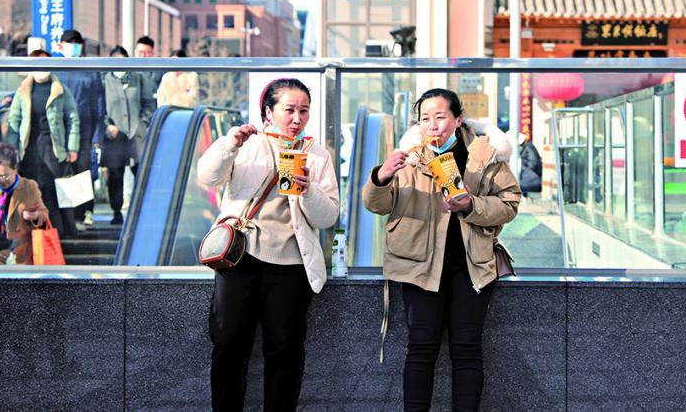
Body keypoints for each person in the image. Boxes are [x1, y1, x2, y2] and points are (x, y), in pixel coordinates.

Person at [362, 88, 521, 412]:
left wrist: (471, 205)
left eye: (440, 116)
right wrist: (381, 176)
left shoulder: (485, 154)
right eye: (425, 118)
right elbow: (376, 205)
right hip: (418, 265)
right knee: (420, 349)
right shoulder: (408, 157)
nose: (432, 125)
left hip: (471, 266)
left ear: (458, 119)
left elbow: (510, 203)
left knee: (467, 349)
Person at [197, 78, 339, 411]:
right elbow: (207, 177)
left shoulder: (316, 154)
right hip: (240, 258)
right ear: (268, 112)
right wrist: (230, 144)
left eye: (304, 111)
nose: (297, 118)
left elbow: (328, 216)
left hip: (291, 264)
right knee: (228, 343)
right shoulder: (247, 144)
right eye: (289, 110)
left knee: (285, 350)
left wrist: (308, 191)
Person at [6, 66, 81, 241]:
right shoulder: (22, 90)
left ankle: (57, 237)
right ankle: (33, 239)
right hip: (28, 151)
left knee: (53, 193)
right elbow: (14, 120)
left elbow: (72, 118)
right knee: (32, 194)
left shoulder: (60, 89)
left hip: (53, 149)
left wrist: (72, 147)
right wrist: (12, 150)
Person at [55, 29, 106, 227]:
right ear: (61, 45)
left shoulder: (90, 70)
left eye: (77, 43)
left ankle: (83, 213)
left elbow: (99, 107)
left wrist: (97, 137)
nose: (73, 47)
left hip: (85, 132)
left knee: (83, 175)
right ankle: (65, 217)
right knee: (61, 174)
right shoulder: (54, 69)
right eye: (70, 43)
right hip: (59, 133)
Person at [101, 45, 155, 225]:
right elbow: (100, 107)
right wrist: (107, 125)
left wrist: (143, 122)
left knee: (141, 173)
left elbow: (149, 103)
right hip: (114, 137)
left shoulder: (138, 78)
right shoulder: (104, 80)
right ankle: (116, 212)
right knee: (115, 175)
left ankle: (141, 211)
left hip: (137, 135)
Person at [519, 133, 543, 198]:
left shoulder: (529, 147)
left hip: (531, 178)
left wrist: (528, 171)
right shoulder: (527, 147)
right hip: (529, 177)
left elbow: (534, 163)